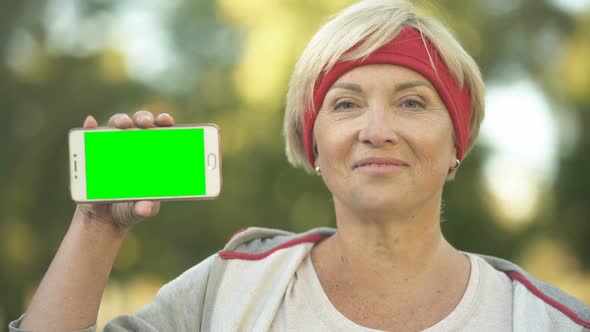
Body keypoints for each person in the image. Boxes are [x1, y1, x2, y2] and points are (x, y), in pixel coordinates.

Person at [10, 0, 590, 331]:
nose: (377, 130)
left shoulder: (547, 320)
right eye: (346, 104)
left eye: (412, 101)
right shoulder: (229, 286)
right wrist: (97, 226)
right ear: (313, 145)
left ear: (458, 143)